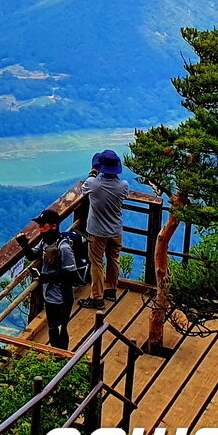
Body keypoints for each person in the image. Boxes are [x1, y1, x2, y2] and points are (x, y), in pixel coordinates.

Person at [78, 149, 129, 310]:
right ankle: (111, 290)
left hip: (97, 231)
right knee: (113, 260)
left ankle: (97, 298)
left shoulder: (93, 184)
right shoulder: (123, 185)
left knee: (96, 263)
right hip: (116, 230)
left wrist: (93, 173)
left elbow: (84, 188)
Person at [33, 208, 77, 350]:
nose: (40, 229)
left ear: (53, 226)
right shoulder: (46, 242)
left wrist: (47, 278)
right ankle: (56, 356)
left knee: (61, 327)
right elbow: (32, 255)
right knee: (52, 327)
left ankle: (61, 356)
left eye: (43, 226)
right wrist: (23, 244)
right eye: (39, 226)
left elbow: (71, 274)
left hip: (62, 296)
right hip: (49, 294)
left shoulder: (63, 247)